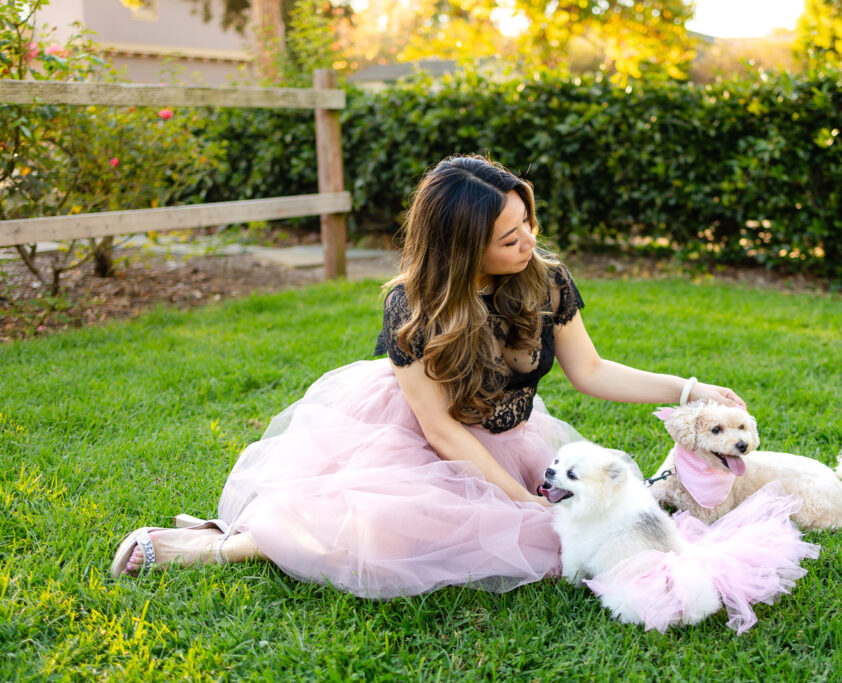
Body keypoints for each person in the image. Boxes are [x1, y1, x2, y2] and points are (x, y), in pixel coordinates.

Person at [110, 154, 748, 598]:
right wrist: (516, 499)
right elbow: (441, 431)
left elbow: (592, 370)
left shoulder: (545, 279)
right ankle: (211, 546)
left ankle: (240, 536)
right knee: (390, 533)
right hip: (415, 437)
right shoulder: (411, 306)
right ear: (462, 244)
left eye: (528, 222)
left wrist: (690, 392)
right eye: (509, 235)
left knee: (571, 534)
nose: (528, 240)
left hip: (512, 436)